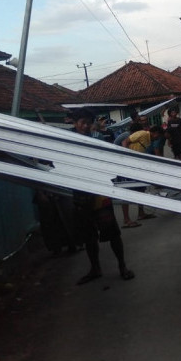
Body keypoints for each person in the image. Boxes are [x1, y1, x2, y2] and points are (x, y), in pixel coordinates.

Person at [69, 108, 135, 285]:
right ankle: (95, 268)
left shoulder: (97, 140)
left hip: (99, 193)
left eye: (88, 123)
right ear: (74, 123)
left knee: (112, 232)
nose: (85, 126)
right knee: (89, 235)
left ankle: (122, 266)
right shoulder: (67, 141)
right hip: (80, 194)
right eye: (82, 122)